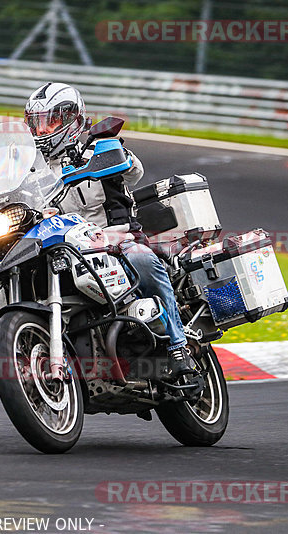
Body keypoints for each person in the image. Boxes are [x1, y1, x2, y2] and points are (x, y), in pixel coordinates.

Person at [24, 82, 202, 387]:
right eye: (37, 122)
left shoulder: (98, 147)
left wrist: (115, 158)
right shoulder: (34, 170)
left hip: (117, 241)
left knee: (142, 259)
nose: (44, 129)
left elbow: (134, 170)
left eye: (51, 120)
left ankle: (177, 346)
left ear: (73, 119)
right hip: (68, 247)